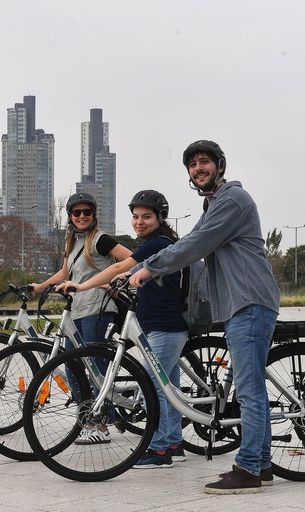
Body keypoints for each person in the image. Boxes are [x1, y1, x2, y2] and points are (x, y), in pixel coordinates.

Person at [129, 140, 280, 494]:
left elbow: (197, 244)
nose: (198, 168)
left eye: (204, 162)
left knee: (249, 390)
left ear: (220, 165)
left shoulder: (232, 199)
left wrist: (149, 268)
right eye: (193, 164)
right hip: (239, 303)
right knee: (251, 387)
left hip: (249, 301)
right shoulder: (213, 203)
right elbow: (193, 238)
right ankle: (262, 464)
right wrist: (138, 269)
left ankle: (247, 471)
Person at [57, 190, 189, 468]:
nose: (139, 222)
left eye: (146, 217)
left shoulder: (157, 243)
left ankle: (160, 450)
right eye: (135, 217)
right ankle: (174, 443)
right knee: (169, 387)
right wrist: (116, 284)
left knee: (156, 386)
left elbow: (123, 265)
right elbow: (133, 273)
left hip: (165, 326)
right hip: (161, 324)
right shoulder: (156, 242)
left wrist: (83, 285)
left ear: (161, 217)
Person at [31, 192, 132, 444]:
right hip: (76, 310)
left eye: (87, 212)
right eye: (77, 212)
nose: (82, 216)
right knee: (72, 368)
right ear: (70, 216)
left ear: (93, 214)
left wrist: (117, 281)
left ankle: (101, 424)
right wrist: (41, 286)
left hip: (98, 310)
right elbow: (66, 272)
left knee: (98, 369)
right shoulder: (74, 241)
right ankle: (87, 417)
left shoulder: (100, 240)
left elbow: (132, 260)